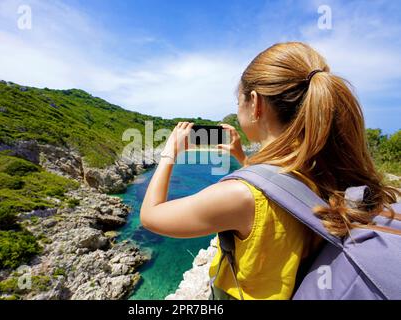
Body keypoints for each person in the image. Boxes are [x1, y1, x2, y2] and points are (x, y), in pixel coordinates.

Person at [139, 42, 400, 300]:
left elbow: (151, 216)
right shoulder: (321, 167)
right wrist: (242, 157)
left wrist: (169, 153)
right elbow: (280, 188)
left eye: (238, 99)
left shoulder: (240, 195)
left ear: (255, 103)